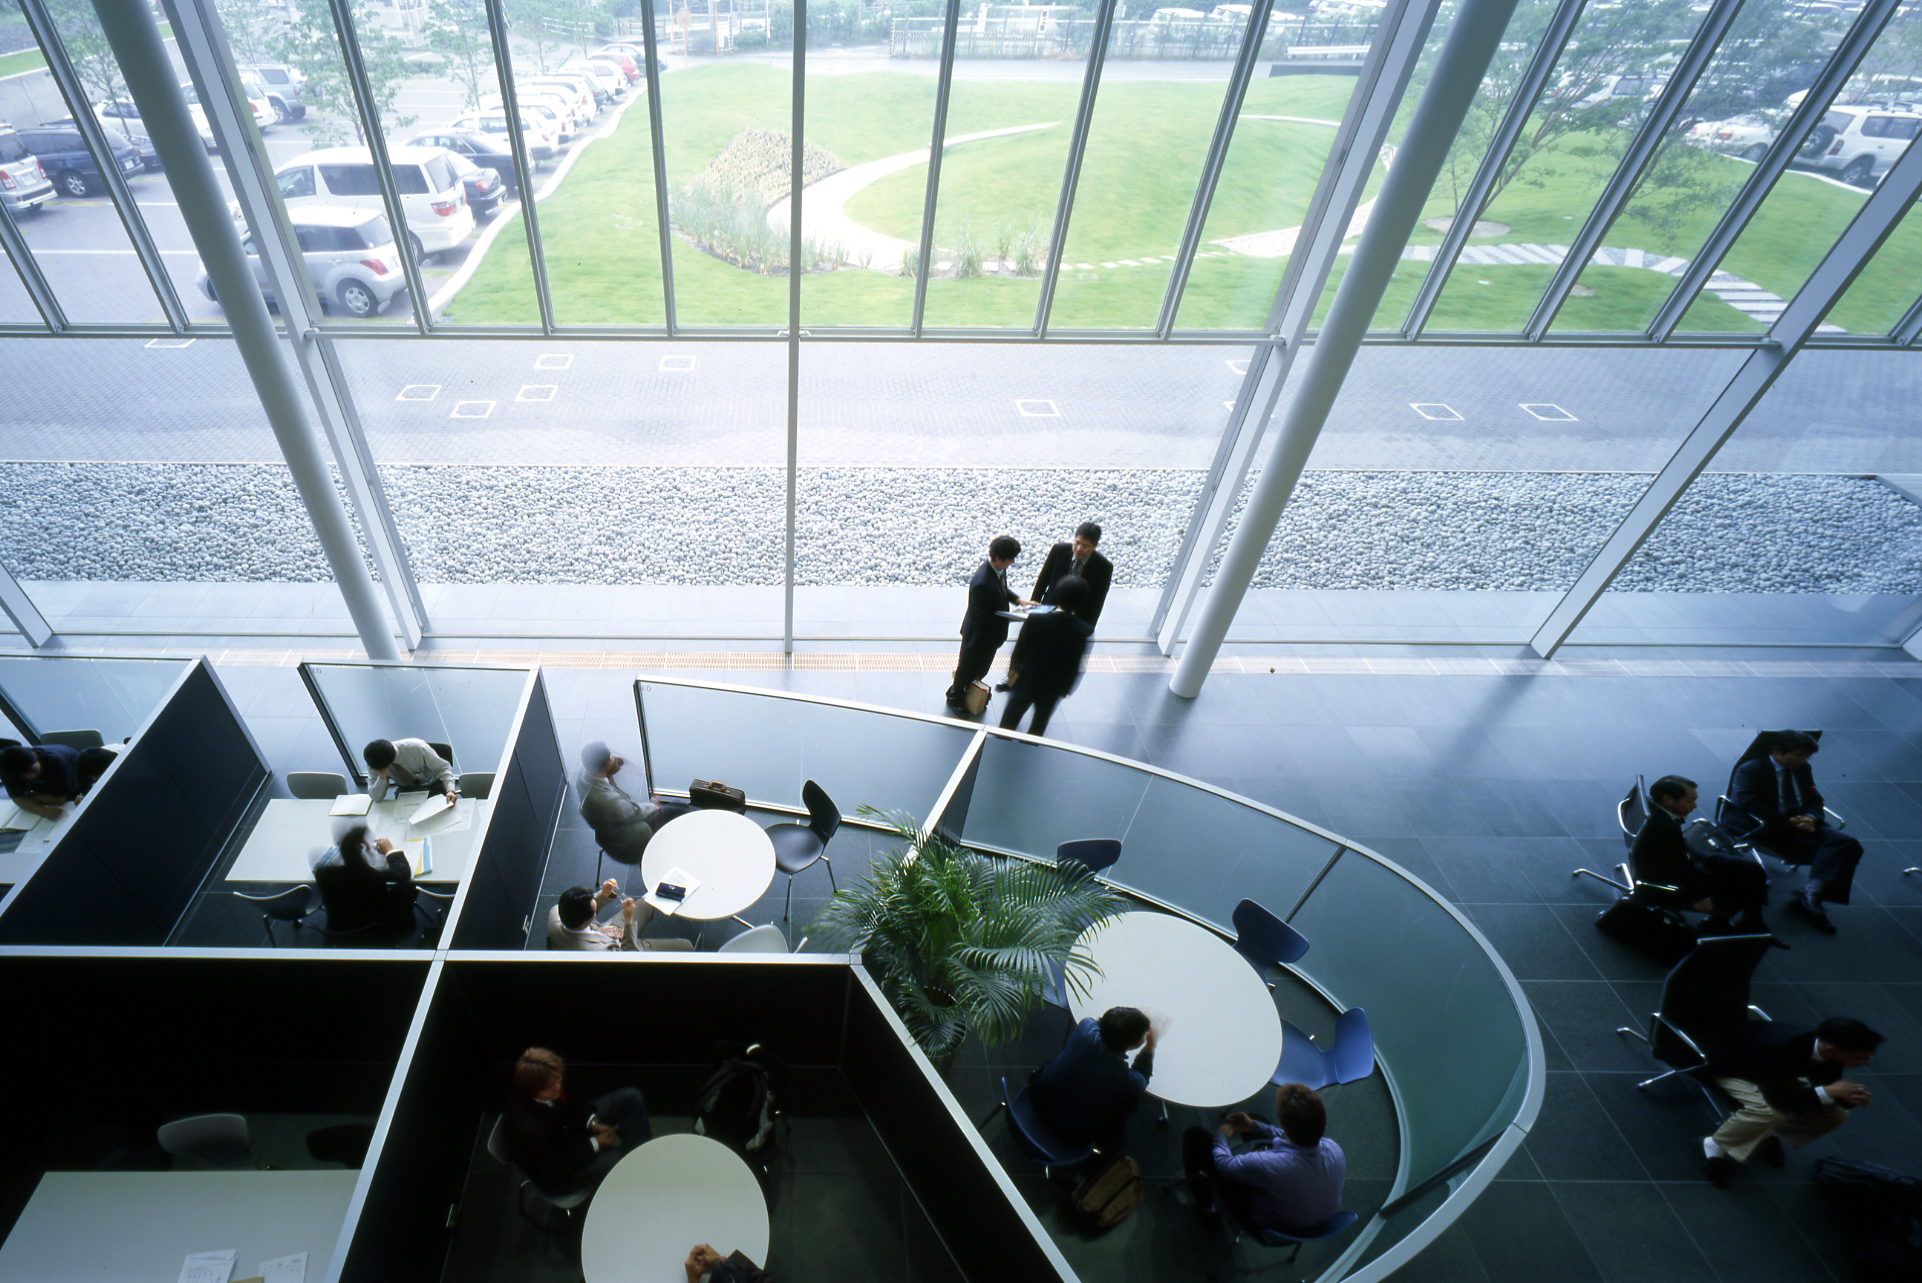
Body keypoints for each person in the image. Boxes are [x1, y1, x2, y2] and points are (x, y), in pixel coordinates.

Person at [1698, 1016, 1882, 1187]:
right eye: (1861, 1058)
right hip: (1732, 1068)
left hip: (1773, 1076)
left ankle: (1762, 1130)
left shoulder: (1833, 1050)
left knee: (1837, 1116)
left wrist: (1847, 1097)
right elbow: (1777, 1097)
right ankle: (1713, 1145)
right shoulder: (1780, 1046)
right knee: (1768, 1112)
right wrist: (1828, 1092)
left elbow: (1823, 1083)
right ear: (1831, 1050)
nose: (1866, 1062)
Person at [1729, 729, 1865, 933]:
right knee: (1833, 854)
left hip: (1803, 821)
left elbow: (1814, 798)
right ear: (1776, 751)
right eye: (1797, 755)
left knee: (1848, 844)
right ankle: (1812, 897)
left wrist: (1811, 817)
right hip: (1771, 824)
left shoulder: (1803, 768)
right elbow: (1746, 802)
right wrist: (1788, 821)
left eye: (1806, 756)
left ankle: (1811, 893)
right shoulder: (1751, 769)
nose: (1802, 760)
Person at [1184, 1082, 1346, 1232]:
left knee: (1195, 1137)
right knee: (1258, 1122)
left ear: (1283, 1125)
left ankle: (1205, 1207)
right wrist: (1253, 1125)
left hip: (1269, 1224)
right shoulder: (1334, 1149)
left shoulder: (1270, 1164)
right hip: (1317, 1224)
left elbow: (1223, 1163)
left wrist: (1221, 1135)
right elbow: (1291, 1136)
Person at [1632, 775, 1770, 936]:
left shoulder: (1652, 806)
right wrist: (1701, 897)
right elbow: (1678, 869)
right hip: (1674, 872)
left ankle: (1751, 920)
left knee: (1751, 869)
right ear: (1668, 800)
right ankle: (1727, 921)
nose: (1695, 806)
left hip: (1684, 856)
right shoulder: (1663, 828)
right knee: (1742, 881)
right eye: (1689, 801)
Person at [503, 1046, 651, 1196]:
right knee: (627, 1159)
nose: (558, 1087)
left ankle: (640, 1165)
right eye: (551, 1086)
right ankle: (641, 1176)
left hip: (568, 1134)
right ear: (533, 1091)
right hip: (561, 1174)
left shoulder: (547, 1085)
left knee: (631, 1098)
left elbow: (569, 1106)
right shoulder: (527, 1131)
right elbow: (555, 1167)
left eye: (558, 1079)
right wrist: (595, 1143)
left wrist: (592, 1123)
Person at [1030, 1006, 1156, 1148]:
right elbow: (1142, 1079)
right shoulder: (1124, 1078)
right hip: (1067, 1132)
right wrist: (1150, 1046)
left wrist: (1129, 1019)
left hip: (1037, 1094)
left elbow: (1100, 1023)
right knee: (1131, 1101)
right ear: (1135, 1045)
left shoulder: (1085, 1027)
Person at [998, 576, 1095, 739]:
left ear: (1058, 595)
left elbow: (1020, 650)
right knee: (1040, 720)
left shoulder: (1036, 620)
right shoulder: (1083, 630)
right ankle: (1032, 742)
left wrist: (1012, 674)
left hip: (1027, 678)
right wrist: (1066, 688)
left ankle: (1001, 739)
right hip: (1053, 686)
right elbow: (1075, 664)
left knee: (1013, 713)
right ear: (1081, 601)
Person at [944, 535, 1030, 711]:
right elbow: (985, 616)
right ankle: (955, 697)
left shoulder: (997, 570)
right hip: (978, 637)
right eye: (1011, 558)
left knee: (980, 668)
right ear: (998, 558)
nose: (1013, 562)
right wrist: (1013, 617)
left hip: (990, 637)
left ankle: (967, 689)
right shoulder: (982, 583)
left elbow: (1003, 590)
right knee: (967, 668)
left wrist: (1019, 600)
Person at [578, 742, 691, 862]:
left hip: (608, 831)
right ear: (606, 765)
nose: (613, 755)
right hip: (627, 841)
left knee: (675, 807)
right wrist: (653, 804)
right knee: (675, 809)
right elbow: (634, 812)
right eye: (611, 755)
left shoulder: (585, 774)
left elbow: (608, 762)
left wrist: (626, 762)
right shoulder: (605, 801)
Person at [313, 822, 417, 933]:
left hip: (338, 930)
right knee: (408, 888)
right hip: (377, 931)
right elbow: (403, 873)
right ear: (359, 851)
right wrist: (389, 851)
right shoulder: (373, 877)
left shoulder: (322, 874)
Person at [546, 878, 694, 951]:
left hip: (605, 931)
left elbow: (587, 908)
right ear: (584, 923)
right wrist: (629, 920)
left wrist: (602, 895)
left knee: (648, 902)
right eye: (594, 908)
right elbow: (629, 956)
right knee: (686, 946)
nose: (596, 903)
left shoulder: (556, 913)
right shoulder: (598, 953)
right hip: (622, 947)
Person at [1030, 522, 1113, 627]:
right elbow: (1042, 581)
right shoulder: (1058, 550)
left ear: (1095, 546)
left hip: (1076, 620)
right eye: (1077, 543)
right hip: (1049, 611)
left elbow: (1098, 600)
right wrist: (1032, 610)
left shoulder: (1104, 567)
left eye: (1085, 546)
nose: (1079, 549)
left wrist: (1089, 626)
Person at [0, 743, 83, 820]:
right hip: (49, 787)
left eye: (32, 770)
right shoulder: (9, 770)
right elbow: (17, 799)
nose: (31, 776)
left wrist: (26, 798)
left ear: (35, 755)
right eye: (24, 776)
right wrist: (43, 811)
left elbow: (59, 800)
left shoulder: (54, 761)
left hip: (79, 783)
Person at [362, 737, 456, 802]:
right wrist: (382, 776)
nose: (374, 771)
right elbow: (376, 797)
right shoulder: (375, 763)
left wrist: (450, 790)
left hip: (433, 784)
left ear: (394, 753)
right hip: (405, 789)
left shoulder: (417, 748)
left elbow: (443, 767)